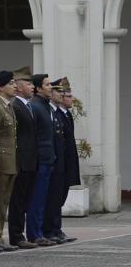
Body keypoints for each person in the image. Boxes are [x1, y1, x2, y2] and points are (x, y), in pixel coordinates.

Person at [43, 79, 80, 245]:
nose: (71, 98)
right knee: (54, 199)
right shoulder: (54, 113)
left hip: (65, 163)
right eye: (67, 95)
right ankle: (50, 230)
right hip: (57, 163)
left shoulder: (65, 114)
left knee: (60, 198)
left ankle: (56, 229)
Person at [7, 67, 39, 249]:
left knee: (25, 200)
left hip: (30, 160)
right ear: (18, 88)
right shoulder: (16, 107)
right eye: (28, 84)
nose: (32, 87)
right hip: (21, 160)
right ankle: (16, 235)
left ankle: (21, 233)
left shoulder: (28, 106)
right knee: (18, 201)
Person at [0, 70, 20, 252]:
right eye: (11, 83)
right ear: (1, 87)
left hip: (10, 161)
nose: (15, 86)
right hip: (1, 161)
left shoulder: (7, 106)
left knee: (4, 201)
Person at [25, 73, 57, 247]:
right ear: (38, 88)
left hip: (47, 158)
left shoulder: (46, 106)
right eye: (47, 84)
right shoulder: (36, 106)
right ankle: (34, 233)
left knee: (42, 199)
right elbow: (34, 137)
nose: (50, 87)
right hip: (40, 159)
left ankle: (40, 231)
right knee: (36, 200)